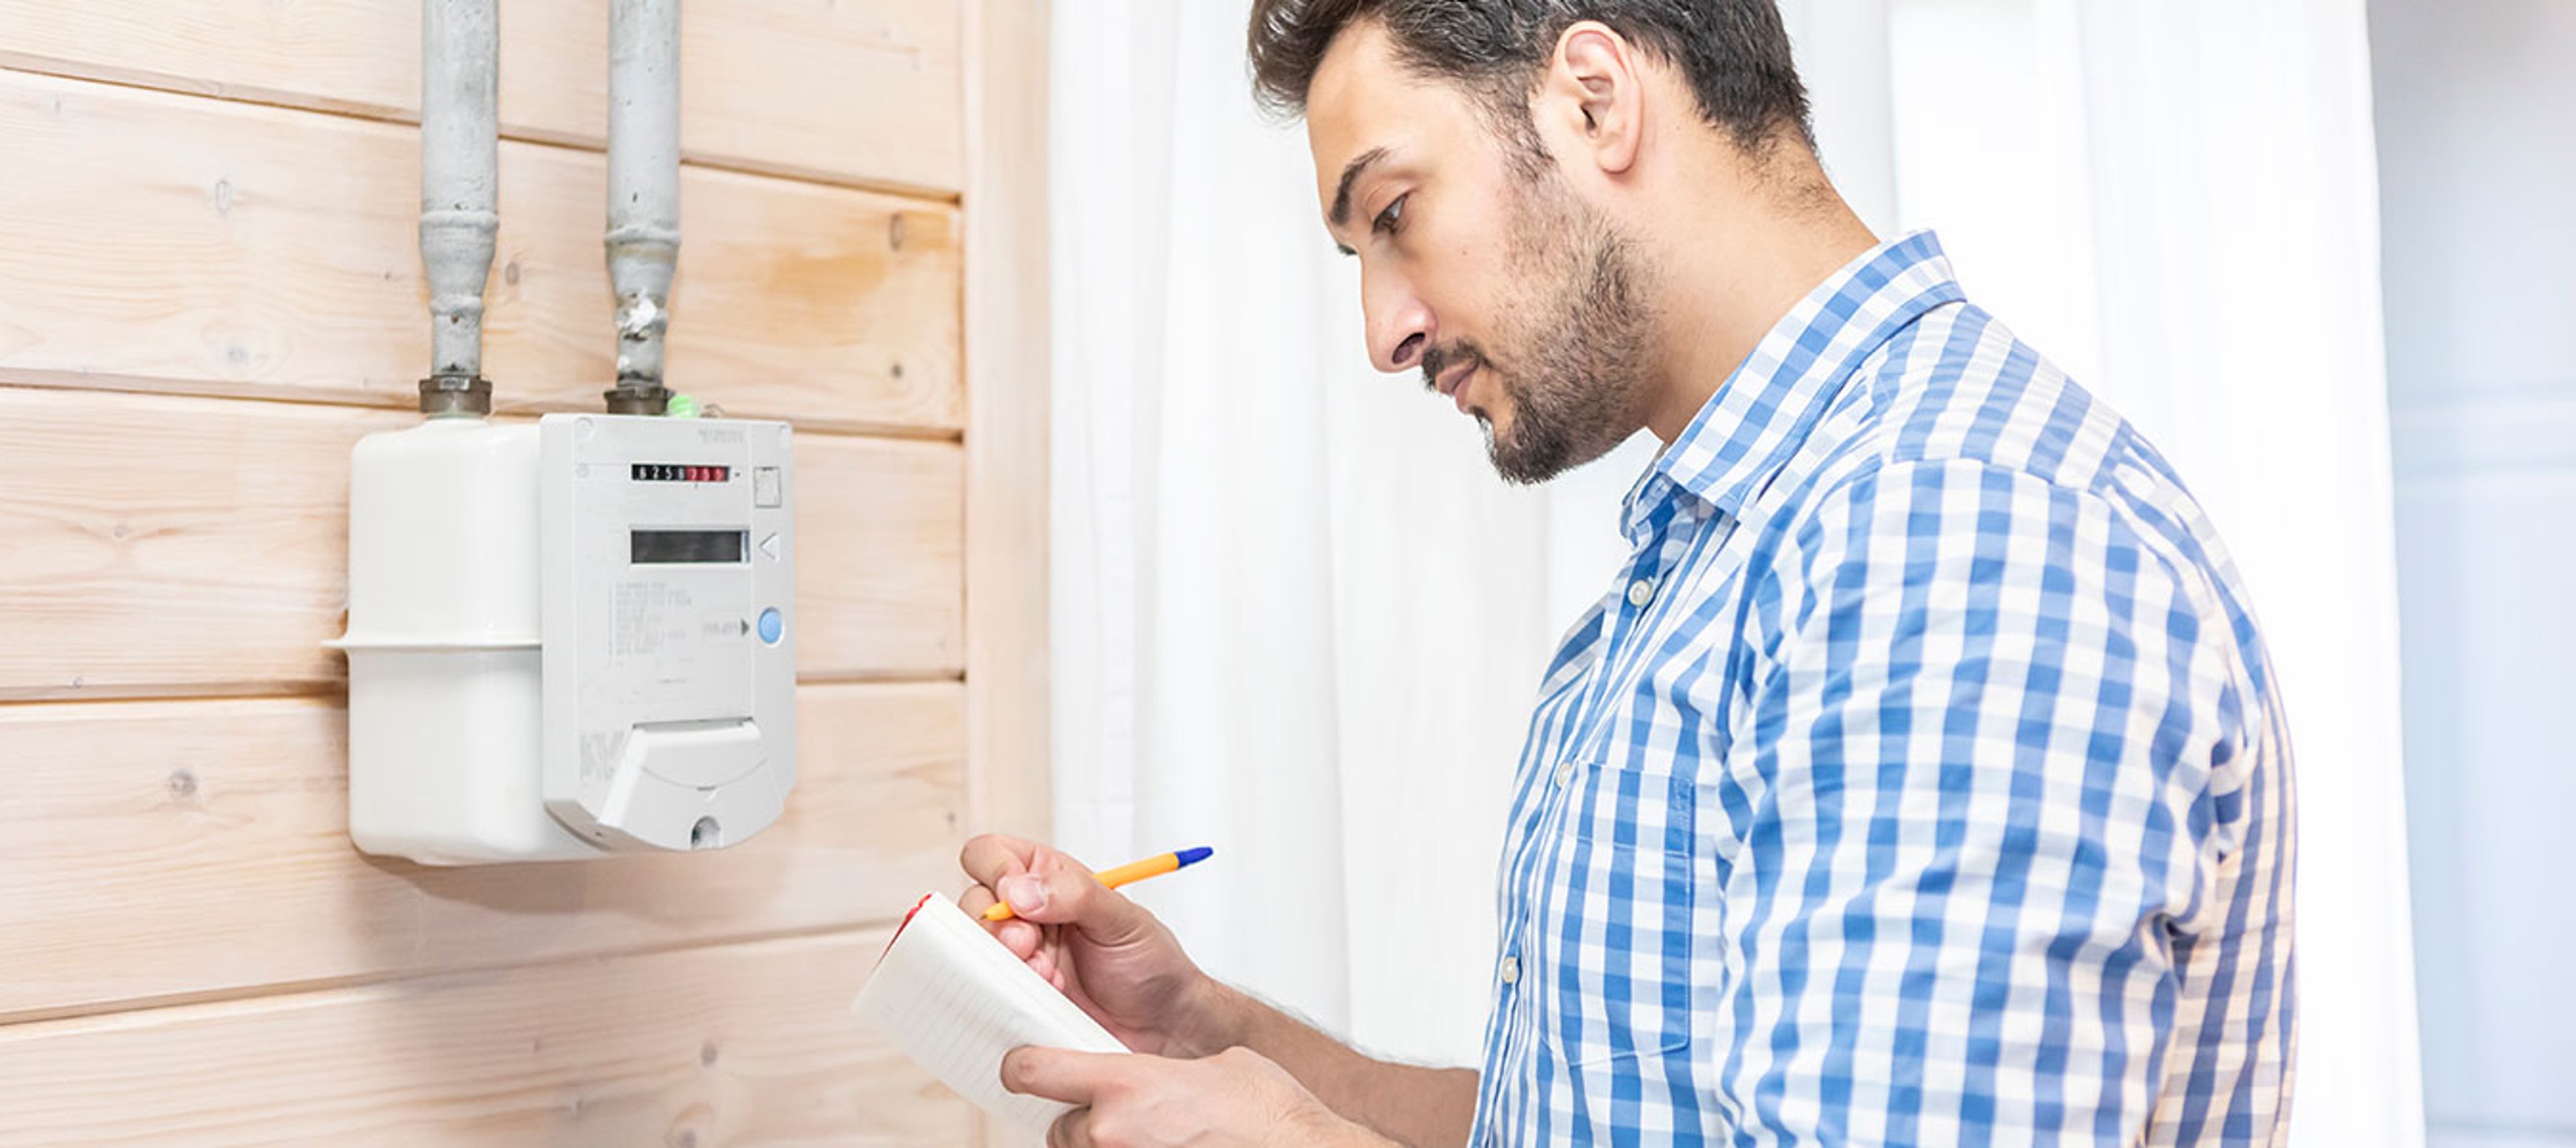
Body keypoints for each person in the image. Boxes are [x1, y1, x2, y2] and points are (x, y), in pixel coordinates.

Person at [967, 1, 2297, 1144]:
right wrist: (1206, 1036)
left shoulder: (1950, 535)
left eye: (1395, 213)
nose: (1385, 330)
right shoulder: (1728, 559)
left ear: (1595, 99)